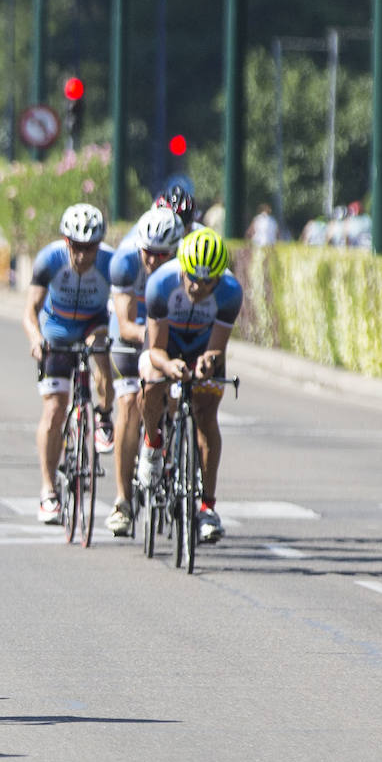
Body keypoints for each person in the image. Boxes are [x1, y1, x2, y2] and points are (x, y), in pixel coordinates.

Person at [137, 228, 243, 544]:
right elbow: (155, 349)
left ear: (218, 279)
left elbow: (216, 348)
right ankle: (153, 444)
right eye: (191, 278)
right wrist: (169, 366)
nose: (196, 286)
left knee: (207, 417)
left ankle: (208, 508)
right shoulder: (160, 284)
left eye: (206, 281)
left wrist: (208, 362)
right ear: (181, 267)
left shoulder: (230, 292)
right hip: (164, 348)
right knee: (151, 385)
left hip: (202, 347)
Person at [22, 203, 114, 524]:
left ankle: (102, 417)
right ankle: (48, 491)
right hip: (56, 330)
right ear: (66, 242)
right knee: (54, 409)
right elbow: (30, 310)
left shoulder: (111, 263)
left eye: (89, 249)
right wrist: (36, 339)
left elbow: (125, 305)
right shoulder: (50, 259)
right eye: (75, 247)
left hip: (93, 325)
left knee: (100, 349)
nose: (81, 256)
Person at [104, 207, 185, 537]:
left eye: (162, 255)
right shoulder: (124, 262)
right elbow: (124, 325)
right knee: (128, 406)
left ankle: (176, 454)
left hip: (168, 333)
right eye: (148, 254)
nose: (153, 262)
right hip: (134, 335)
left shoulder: (188, 265)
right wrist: (155, 346)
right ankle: (123, 502)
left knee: (182, 395)